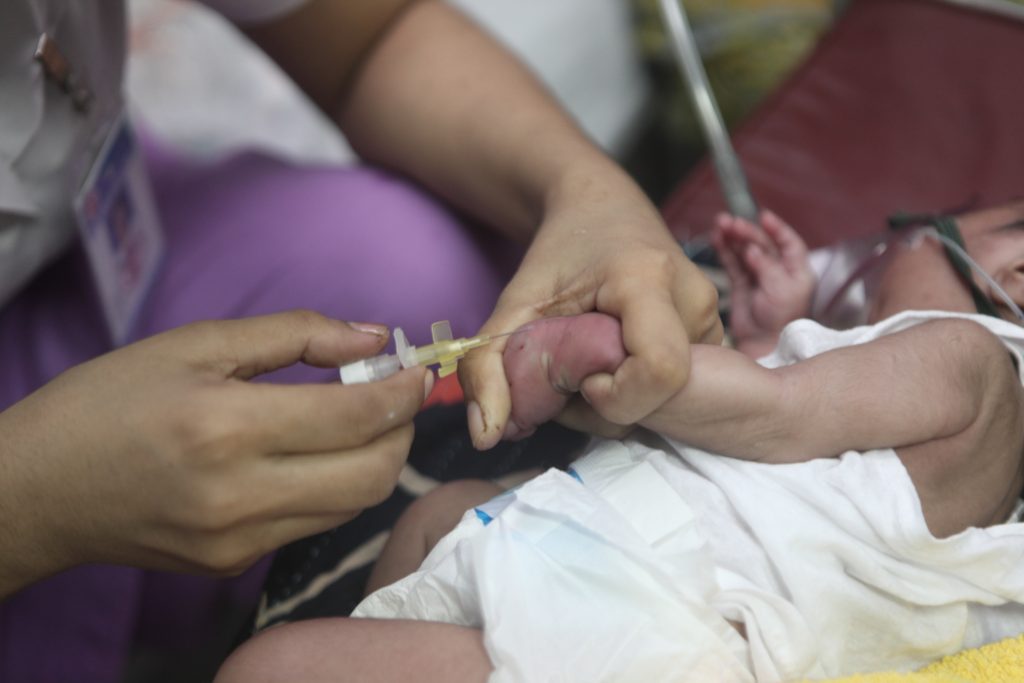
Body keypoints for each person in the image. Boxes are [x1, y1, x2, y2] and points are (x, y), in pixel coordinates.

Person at [0, 1, 721, 679]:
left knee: (410, 271)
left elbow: (372, 37)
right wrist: (35, 501)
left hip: (83, 239)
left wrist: (585, 192)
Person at [214, 200, 1024, 682]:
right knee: (443, 513)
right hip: (615, 569)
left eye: (929, 225)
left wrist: (584, 358)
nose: (896, 237)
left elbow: (777, 412)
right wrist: (769, 332)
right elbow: (801, 463)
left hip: (653, 618)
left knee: (272, 669)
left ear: (1012, 280)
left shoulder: (973, 360)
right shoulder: (945, 437)